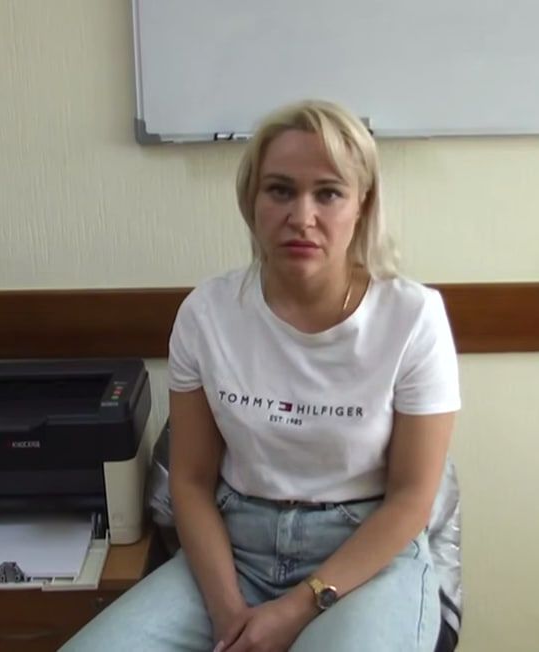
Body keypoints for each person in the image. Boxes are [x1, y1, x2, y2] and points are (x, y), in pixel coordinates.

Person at [61, 99, 460, 652]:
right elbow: (191, 481)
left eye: (328, 193)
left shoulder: (413, 318)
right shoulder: (207, 313)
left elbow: (412, 499)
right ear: (252, 201)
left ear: (362, 205)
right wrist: (228, 614)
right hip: (236, 550)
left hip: (363, 556)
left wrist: (296, 609)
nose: (302, 216)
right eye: (280, 190)